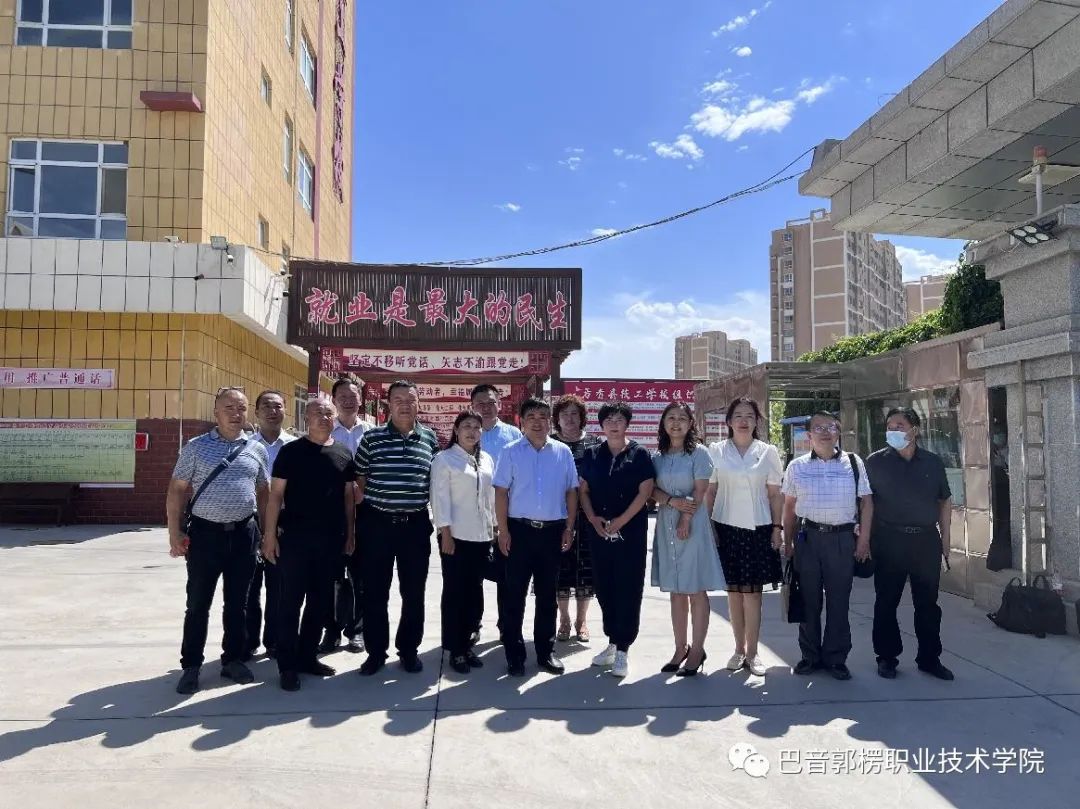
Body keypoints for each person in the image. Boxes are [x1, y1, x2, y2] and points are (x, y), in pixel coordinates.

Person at [166, 387, 269, 695]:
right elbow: (176, 491)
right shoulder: (196, 447)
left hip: (244, 535)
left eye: (241, 408)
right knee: (198, 604)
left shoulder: (256, 448)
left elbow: (263, 493)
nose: (236, 414)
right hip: (205, 536)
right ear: (216, 413)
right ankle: (191, 666)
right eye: (229, 408)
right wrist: (174, 532)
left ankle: (232, 659)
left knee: (238, 604)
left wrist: (266, 533)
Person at [261, 399, 357, 691]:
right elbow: (275, 496)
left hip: (330, 542)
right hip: (295, 540)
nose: (324, 417)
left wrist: (350, 534)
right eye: (318, 413)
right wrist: (269, 535)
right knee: (289, 603)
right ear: (306, 417)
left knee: (320, 602)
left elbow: (348, 498)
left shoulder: (343, 453)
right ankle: (287, 665)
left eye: (328, 413)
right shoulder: (291, 452)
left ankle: (307, 657)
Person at [355, 379, 439, 676]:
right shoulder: (372, 438)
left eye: (410, 399)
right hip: (377, 525)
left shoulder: (430, 439)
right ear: (388, 404)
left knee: (413, 593)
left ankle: (409, 650)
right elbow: (360, 480)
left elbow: (435, 481)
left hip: (415, 526)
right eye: (398, 399)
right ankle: (375, 652)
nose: (405, 404)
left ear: (418, 404)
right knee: (375, 592)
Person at [781, 411, 873, 681]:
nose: (825, 432)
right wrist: (788, 542)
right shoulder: (796, 466)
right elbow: (789, 508)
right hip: (808, 539)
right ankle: (810, 656)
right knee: (808, 600)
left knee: (839, 601)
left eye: (831, 427)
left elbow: (867, 503)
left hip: (842, 540)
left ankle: (836, 658)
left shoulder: (853, 463)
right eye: (818, 427)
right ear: (809, 435)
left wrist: (864, 540)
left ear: (838, 432)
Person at [865, 407, 954, 681]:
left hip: (925, 541)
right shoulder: (875, 462)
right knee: (886, 602)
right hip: (889, 540)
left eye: (900, 425)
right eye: (889, 426)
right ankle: (887, 657)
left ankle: (929, 658)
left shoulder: (932, 463)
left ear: (915, 430)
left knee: (928, 604)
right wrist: (864, 540)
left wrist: (946, 542)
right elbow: (866, 503)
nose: (893, 430)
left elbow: (944, 502)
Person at [494, 397, 580, 677]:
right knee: (514, 596)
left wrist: (569, 527)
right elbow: (501, 493)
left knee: (546, 596)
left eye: (543, 416)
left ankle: (545, 652)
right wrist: (503, 530)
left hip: (552, 533)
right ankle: (514, 654)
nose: (538, 422)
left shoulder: (562, 452)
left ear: (550, 421)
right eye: (531, 416)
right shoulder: (510, 451)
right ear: (522, 421)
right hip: (519, 532)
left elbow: (571, 491)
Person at [706, 398, 784, 678]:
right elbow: (711, 491)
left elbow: (775, 494)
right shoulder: (716, 450)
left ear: (756, 421)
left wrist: (777, 528)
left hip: (758, 528)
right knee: (734, 593)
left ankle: (753, 652)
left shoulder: (768, 452)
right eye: (737, 415)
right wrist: (708, 526)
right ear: (728, 421)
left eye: (749, 415)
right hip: (725, 527)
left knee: (752, 595)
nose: (743, 420)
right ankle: (738, 649)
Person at [578, 402, 655, 678]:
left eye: (619, 419)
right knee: (604, 586)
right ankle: (612, 641)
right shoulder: (592, 454)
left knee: (628, 587)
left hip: (629, 533)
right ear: (601, 424)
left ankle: (623, 648)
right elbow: (583, 490)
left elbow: (645, 492)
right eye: (608, 419)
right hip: (599, 531)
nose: (614, 424)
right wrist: (592, 518)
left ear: (627, 423)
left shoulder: (639, 454)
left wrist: (621, 521)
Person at [651, 402, 725, 677]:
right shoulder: (658, 457)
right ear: (663, 423)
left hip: (692, 524)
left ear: (691, 423)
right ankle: (679, 647)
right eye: (671, 417)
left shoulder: (699, 453)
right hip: (666, 524)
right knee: (676, 590)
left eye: (682, 418)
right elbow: (651, 490)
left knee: (695, 588)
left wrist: (685, 518)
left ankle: (697, 650)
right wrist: (671, 501)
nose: (676, 423)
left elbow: (700, 491)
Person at [430, 410, 496, 675]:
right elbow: (439, 498)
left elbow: (491, 498)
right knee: (455, 592)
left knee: (475, 592)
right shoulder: (444, 459)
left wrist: (495, 528)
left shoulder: (486, 459)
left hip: (482, 537)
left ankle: (468, 643)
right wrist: (445, 532)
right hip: (455, 537)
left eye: (476, 427)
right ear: (456, 430)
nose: (472, 431)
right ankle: (455, 649)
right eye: (466, 426)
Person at [246, 389, 297, 660]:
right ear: (256, 412)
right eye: (266, 406)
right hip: (250, 522)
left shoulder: (295, 447)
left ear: (285, 411)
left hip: (284, 523)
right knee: (249, 585)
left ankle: (274, 640)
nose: (272, 411)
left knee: (279, 586)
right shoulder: (243, 446)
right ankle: (248, 641)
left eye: (277, 406)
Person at [470, 383, 522, 645]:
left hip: (506, 517)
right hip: (473, 517)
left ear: (500, 405)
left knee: (507, 576)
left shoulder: (514, 434)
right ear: (472, 407)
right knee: (473, 576)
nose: (486, 408)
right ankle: (473, 624)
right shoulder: (467, 433)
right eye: (480, 403)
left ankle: (506, 625)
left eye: (491, 402)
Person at [321, 378, 368, 654]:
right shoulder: (325, 430)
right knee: (331, 576)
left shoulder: (372, 432)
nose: (348, 401)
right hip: (331, 515)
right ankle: (331, 630)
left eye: (353, 396)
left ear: (361, 399)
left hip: (365, 514)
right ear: (334, 399)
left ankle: (357, 630)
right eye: (342, 397)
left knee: (361, 576)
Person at [550, 394, 601, 643]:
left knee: (586, 569)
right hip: (556, 516)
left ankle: (582, 621)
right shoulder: (549, 443)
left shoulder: (594, 444)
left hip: (587, 516)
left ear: (582, 418)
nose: (569, 419)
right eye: (564, 414)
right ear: (557, 419)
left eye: (574, 414)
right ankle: (564, 619)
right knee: (559, 569)